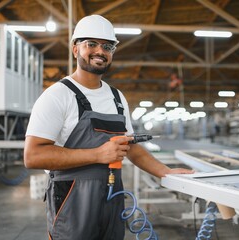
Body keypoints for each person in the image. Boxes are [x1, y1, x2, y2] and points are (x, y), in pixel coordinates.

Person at [23, 15, 193, 240]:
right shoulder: (57, 95)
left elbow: (130, 146)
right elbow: (33, 155)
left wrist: (165, 172)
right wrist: (98, 154)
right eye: (91, 44)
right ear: (75, 49)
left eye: (107, 46)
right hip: (72, 202)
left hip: (112, 198)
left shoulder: (116, 97)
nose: (100, 51)